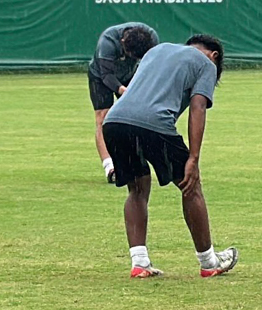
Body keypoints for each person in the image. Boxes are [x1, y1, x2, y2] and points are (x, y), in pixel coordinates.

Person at [102, 34, 237, 279]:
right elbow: (198, 107)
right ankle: (209, 262)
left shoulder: (157, 51)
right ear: (214, 55)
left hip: (114, 122)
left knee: (137, 188)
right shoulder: (206, 63)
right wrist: (193, 158)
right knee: (191, 186)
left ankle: (139, 263)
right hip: (154, 124)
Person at [90, 21, 159, 182]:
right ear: (122, 44)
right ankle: (110, 168)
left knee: (137, 116)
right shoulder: (108, 40)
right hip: (100, 77)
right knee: (103, 118)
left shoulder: (152, 38)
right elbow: (106, 75)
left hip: (132, 75)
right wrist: (126, 91)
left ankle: (134, 161)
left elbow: (154, 66)